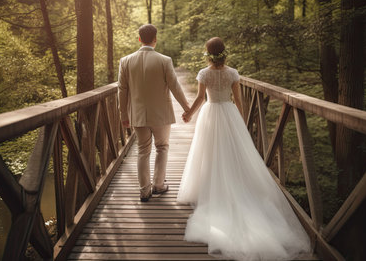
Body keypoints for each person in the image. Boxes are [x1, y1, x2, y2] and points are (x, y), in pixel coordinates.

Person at [178, 37, 311, 260]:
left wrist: (189, 114)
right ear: (224, 52)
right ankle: (234, 183)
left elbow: (201, 98)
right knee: (232, 153)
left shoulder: (204, 73)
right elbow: (239, 101)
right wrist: (240, 122)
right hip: (229, 113)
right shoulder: (232, 73)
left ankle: (211, 186)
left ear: (208, 53)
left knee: (209, 153)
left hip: (211, 114)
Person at [118, 24, 190, 202]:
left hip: (138, 115)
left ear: (139, 39)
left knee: (143, 151)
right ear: (155, 39)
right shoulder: (164, 60)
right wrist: (187, 108)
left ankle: (144, 191)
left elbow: (122, 89)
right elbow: (175, 86)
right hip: (161, 115)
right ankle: (158, 185)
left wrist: (123, 115)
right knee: (162, 147)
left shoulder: (125, 61)